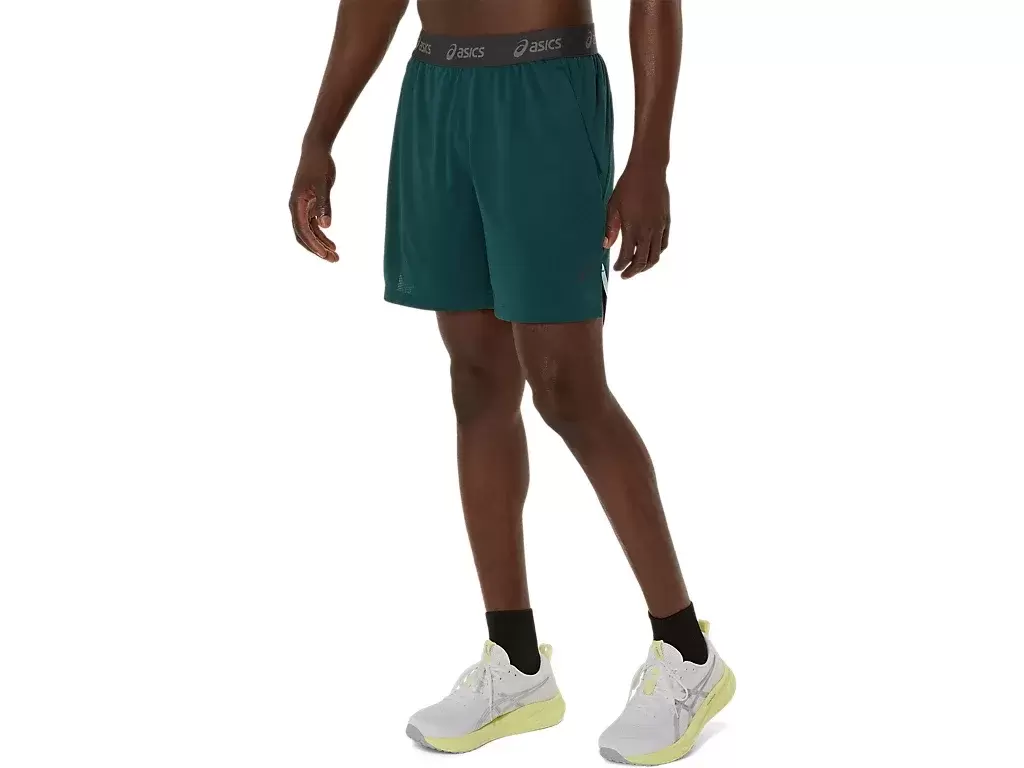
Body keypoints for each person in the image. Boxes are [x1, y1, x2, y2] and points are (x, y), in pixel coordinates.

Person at [289, 0, 734, 762]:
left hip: (545, 88)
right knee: (475, 380)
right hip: (438, 93)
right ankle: (516, 662)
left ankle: (687, 654)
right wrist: (318, 135)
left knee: (567, 388)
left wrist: (651, 157)